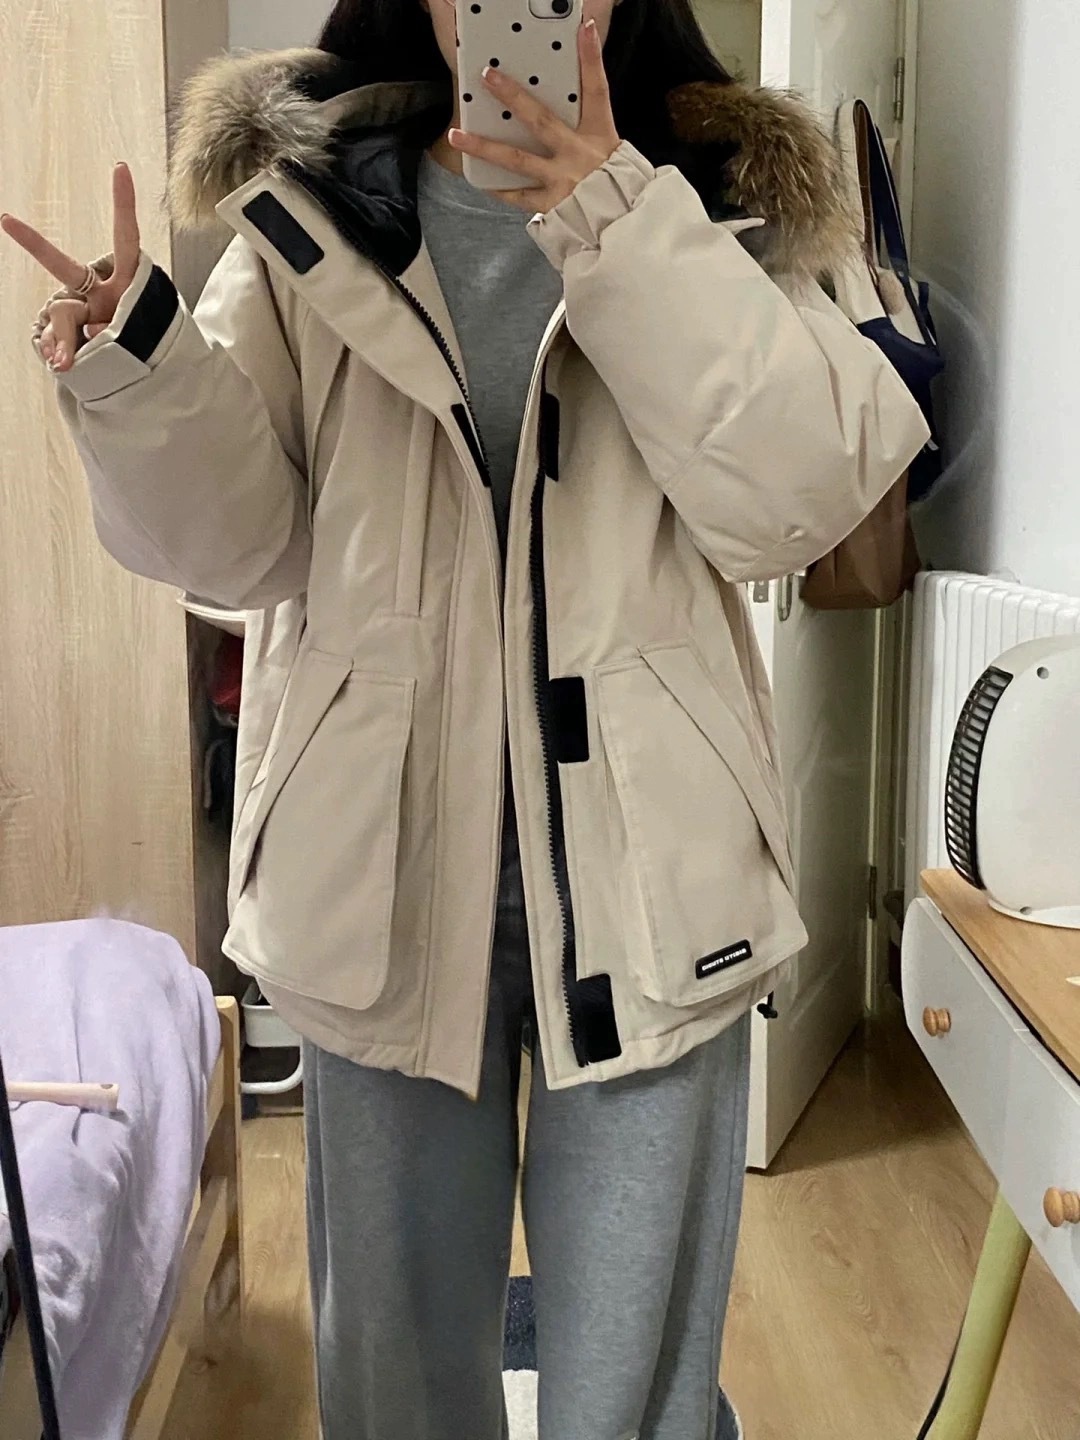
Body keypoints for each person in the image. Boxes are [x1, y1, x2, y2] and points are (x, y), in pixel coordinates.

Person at [4, 2, 928, 1436]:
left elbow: (798, 500)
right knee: (393, 1366)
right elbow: (241, 551)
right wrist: (141, 370)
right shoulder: (309, 201)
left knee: (633, 1378)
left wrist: (618, 215)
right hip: (374, 868)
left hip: (654, 870)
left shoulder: (720, 197)